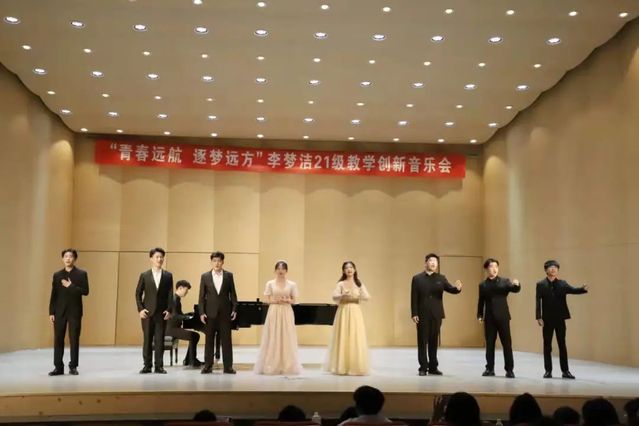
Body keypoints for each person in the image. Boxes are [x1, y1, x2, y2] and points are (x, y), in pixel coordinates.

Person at [411, 253, 462, 376]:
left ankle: (433, 367)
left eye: (435, 261)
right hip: (422, 314)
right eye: (431, 260)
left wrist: (458, 288)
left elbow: (451, 289)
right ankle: (423, 367)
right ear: (426, 263)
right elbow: (414, 297)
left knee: (434, 341)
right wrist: (414, 313)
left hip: (437, 314)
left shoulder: (441, 278)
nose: (433, 263)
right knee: (422, 341)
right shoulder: (417, 278)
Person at [536, 260, 588, 379]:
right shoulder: (541, 284)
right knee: (547, 345)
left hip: (560, 318)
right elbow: (537, 301)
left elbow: (573, 290)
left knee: (562, 344)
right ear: (546, 270)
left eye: (555, 267)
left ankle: (565, 371)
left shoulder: (562, 283)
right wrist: (538, 316)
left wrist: (582, 289)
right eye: (551, 267)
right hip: (547, 319)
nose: (553, 269)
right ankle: (548, 371)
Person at [254, 261, 302, 375]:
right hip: (274, 310)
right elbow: (267, 300)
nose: (281, 271)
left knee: (287, 335)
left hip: (286, 311)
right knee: (273, 335)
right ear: (275, 270)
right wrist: (276, 301)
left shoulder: (292, 284)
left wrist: (287, 300)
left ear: (286, 271)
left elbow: (294, 300)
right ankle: (271, 364)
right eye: (278, 268)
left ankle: (287, 365)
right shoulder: (270, 283)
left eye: (283, 268)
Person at [48, 249, 90, 376]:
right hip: (59, 312)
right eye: (65, 256)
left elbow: (86, 291)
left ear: (74, 259)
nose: (68, 259)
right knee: (58, 339)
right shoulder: (57, 275)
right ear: (62, 259)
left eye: (70, 256)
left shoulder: (81, 274)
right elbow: (54, 294)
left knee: (74, 339)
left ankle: (73, 366)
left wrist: (71, 286)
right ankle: (58, 367)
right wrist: (51, 312)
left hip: (75, 312)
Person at [325, 261, 371, 375]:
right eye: (346, 268)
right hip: (344, 310)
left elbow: (367, 296)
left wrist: (359, 295)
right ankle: (342, 366)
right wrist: (342, 295)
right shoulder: (341, 284)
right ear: (343, 271)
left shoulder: (359, 283)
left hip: (355, 311)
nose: (349, 269)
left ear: (354, 270)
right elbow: (334, 296)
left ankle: (355, 366)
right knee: (343, 335)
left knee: (355, 336)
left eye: (351, 267)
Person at [477, 258, 520, 378]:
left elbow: (514, 289)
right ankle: (489, 369)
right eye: (491, 266)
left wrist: (517, 285)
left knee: (507, 344)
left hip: (503, 317)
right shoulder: (483, 285)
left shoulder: (504, 281)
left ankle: (509, 370)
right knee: (490, 344)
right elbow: (481, 301)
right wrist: (480, 315)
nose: (494, 269)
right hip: (489, 318)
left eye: (496, 266)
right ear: (487, 269)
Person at [135, 247, 174, 374]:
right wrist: (140, 309)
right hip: (147, 313)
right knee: (147, 340)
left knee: (159, 340)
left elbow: (170, 295)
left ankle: (159, 366)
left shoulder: (168, 275)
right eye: (157, 257)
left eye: (161, 257)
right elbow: (138, 293)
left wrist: (169, 310)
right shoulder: (144, 275)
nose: (159, 259)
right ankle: (147, 366)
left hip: (161, 313)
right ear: (151, 258)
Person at [199, 251, 238, 374]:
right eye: (214, 261)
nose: (217, 263)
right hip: (210, 313)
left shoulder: (229, 276)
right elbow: (201, 297)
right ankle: (208, 366)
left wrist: (234, 309)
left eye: (219, 261)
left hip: (225, 313)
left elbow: (233, 294)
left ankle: (228, 367)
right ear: (211, 262)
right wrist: (201, 312)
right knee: (209, 340)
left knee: (226, 341)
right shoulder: (205, 276)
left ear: (223, 262)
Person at [166, 280, 202, 367]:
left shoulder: (176, 299)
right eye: (186, 290)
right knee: (194, 336)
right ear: (180, 288)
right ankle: (191, 360)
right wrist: (187, 317)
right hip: (171, 329)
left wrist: (189, 314)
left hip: (173, 327)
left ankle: (188, 360)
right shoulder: (174, 300)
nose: (186, 293)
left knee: (194, 336)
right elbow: (174, 316)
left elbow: (178, 314)